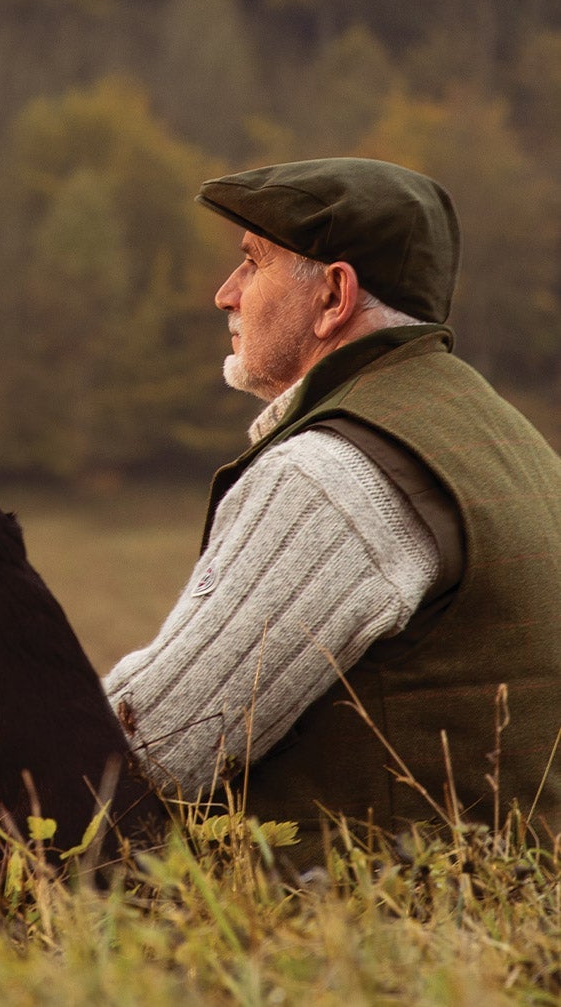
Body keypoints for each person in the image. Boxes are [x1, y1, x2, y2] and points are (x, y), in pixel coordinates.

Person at [104, 157, 561, 838]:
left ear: (334, 297)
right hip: (508, 908)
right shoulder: (511, 443)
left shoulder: (330, 472)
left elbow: (160, 742)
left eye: (252, 263)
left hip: (367, 921)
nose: (225, 294)